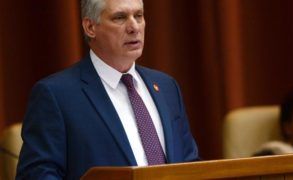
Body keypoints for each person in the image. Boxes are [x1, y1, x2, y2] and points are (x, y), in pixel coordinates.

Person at [16, 0, 199, 179]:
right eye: (120, 17)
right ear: (90, 27)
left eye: (139, 16)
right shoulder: (56, 95)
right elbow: (37, 174)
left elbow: (191, 165)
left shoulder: (167, 87)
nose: (134, 27)